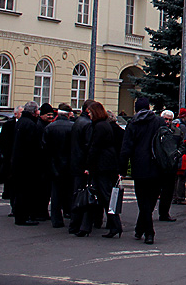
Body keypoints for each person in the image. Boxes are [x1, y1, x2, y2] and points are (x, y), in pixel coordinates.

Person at [119, 97, 161, 244]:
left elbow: (126, 148)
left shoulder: (133, 124)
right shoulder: (159, 122)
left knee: (143, 201)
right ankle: (140, 228)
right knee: (150, 201)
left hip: (140, 166)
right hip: (157, 166)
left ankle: (148, 232)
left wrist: (123, 170)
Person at [78, 101, 122, 238]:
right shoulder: (105, 125)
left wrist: (88, 166)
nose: (89, 115)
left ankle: (113, 225)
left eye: (90, 112)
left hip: (101, 166)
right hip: (105, 165)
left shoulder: (99, 127)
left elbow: (94, 148)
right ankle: (88, 227)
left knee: (101, 196)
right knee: (98, 195)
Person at [12, 101, 44, 226]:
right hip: (27, 163)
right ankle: (23, 217)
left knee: (20, 190)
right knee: (25, 192)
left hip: (19, 162)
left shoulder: (21, 122)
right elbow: (32, 146)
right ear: (34, 111)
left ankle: (20, 215)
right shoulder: (30, 124)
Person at [43, 103, 74, 228]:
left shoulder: (50, 127)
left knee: (55, 194)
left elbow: (45, 148)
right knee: (70, 192)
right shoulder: (73, 127)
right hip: (70, 164)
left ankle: (56, 219)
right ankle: (71, 215)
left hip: (54, 164)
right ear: (68, 115)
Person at [68, 99, 95, 234]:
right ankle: (82, 226)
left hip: (75, 163)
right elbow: (88, 146)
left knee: (77, 194)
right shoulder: (88, 124)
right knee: (85, 197)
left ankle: (74, 224)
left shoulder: (78, 122)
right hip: (83, 165)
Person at [156, 110, 182, 222]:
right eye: (165, 119)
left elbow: (181, 144)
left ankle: (164, 213)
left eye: (169, 120)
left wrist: (178, 153)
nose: (167, 122)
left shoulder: (176, 131)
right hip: (158, 165)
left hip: (171, 166)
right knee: (155, 190)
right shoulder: (157, 130)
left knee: (168, 191)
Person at [0, 104, 22, 216]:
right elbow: (2, 141)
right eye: (21, 113)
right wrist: (7, 154)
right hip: (10, 160)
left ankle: (18, 207)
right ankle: (14, 207)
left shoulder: (26, 124)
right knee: (12, 185)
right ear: (16, 114)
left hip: (19, 159)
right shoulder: (9, 125)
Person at [173, 108, 186, 204]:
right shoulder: (183, 127)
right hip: (182, 155)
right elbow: (185, 141)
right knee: (181, 177)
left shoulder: (174, 125)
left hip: (174, 154)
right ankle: (180, 197)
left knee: (176, 177)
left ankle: (174, 196)